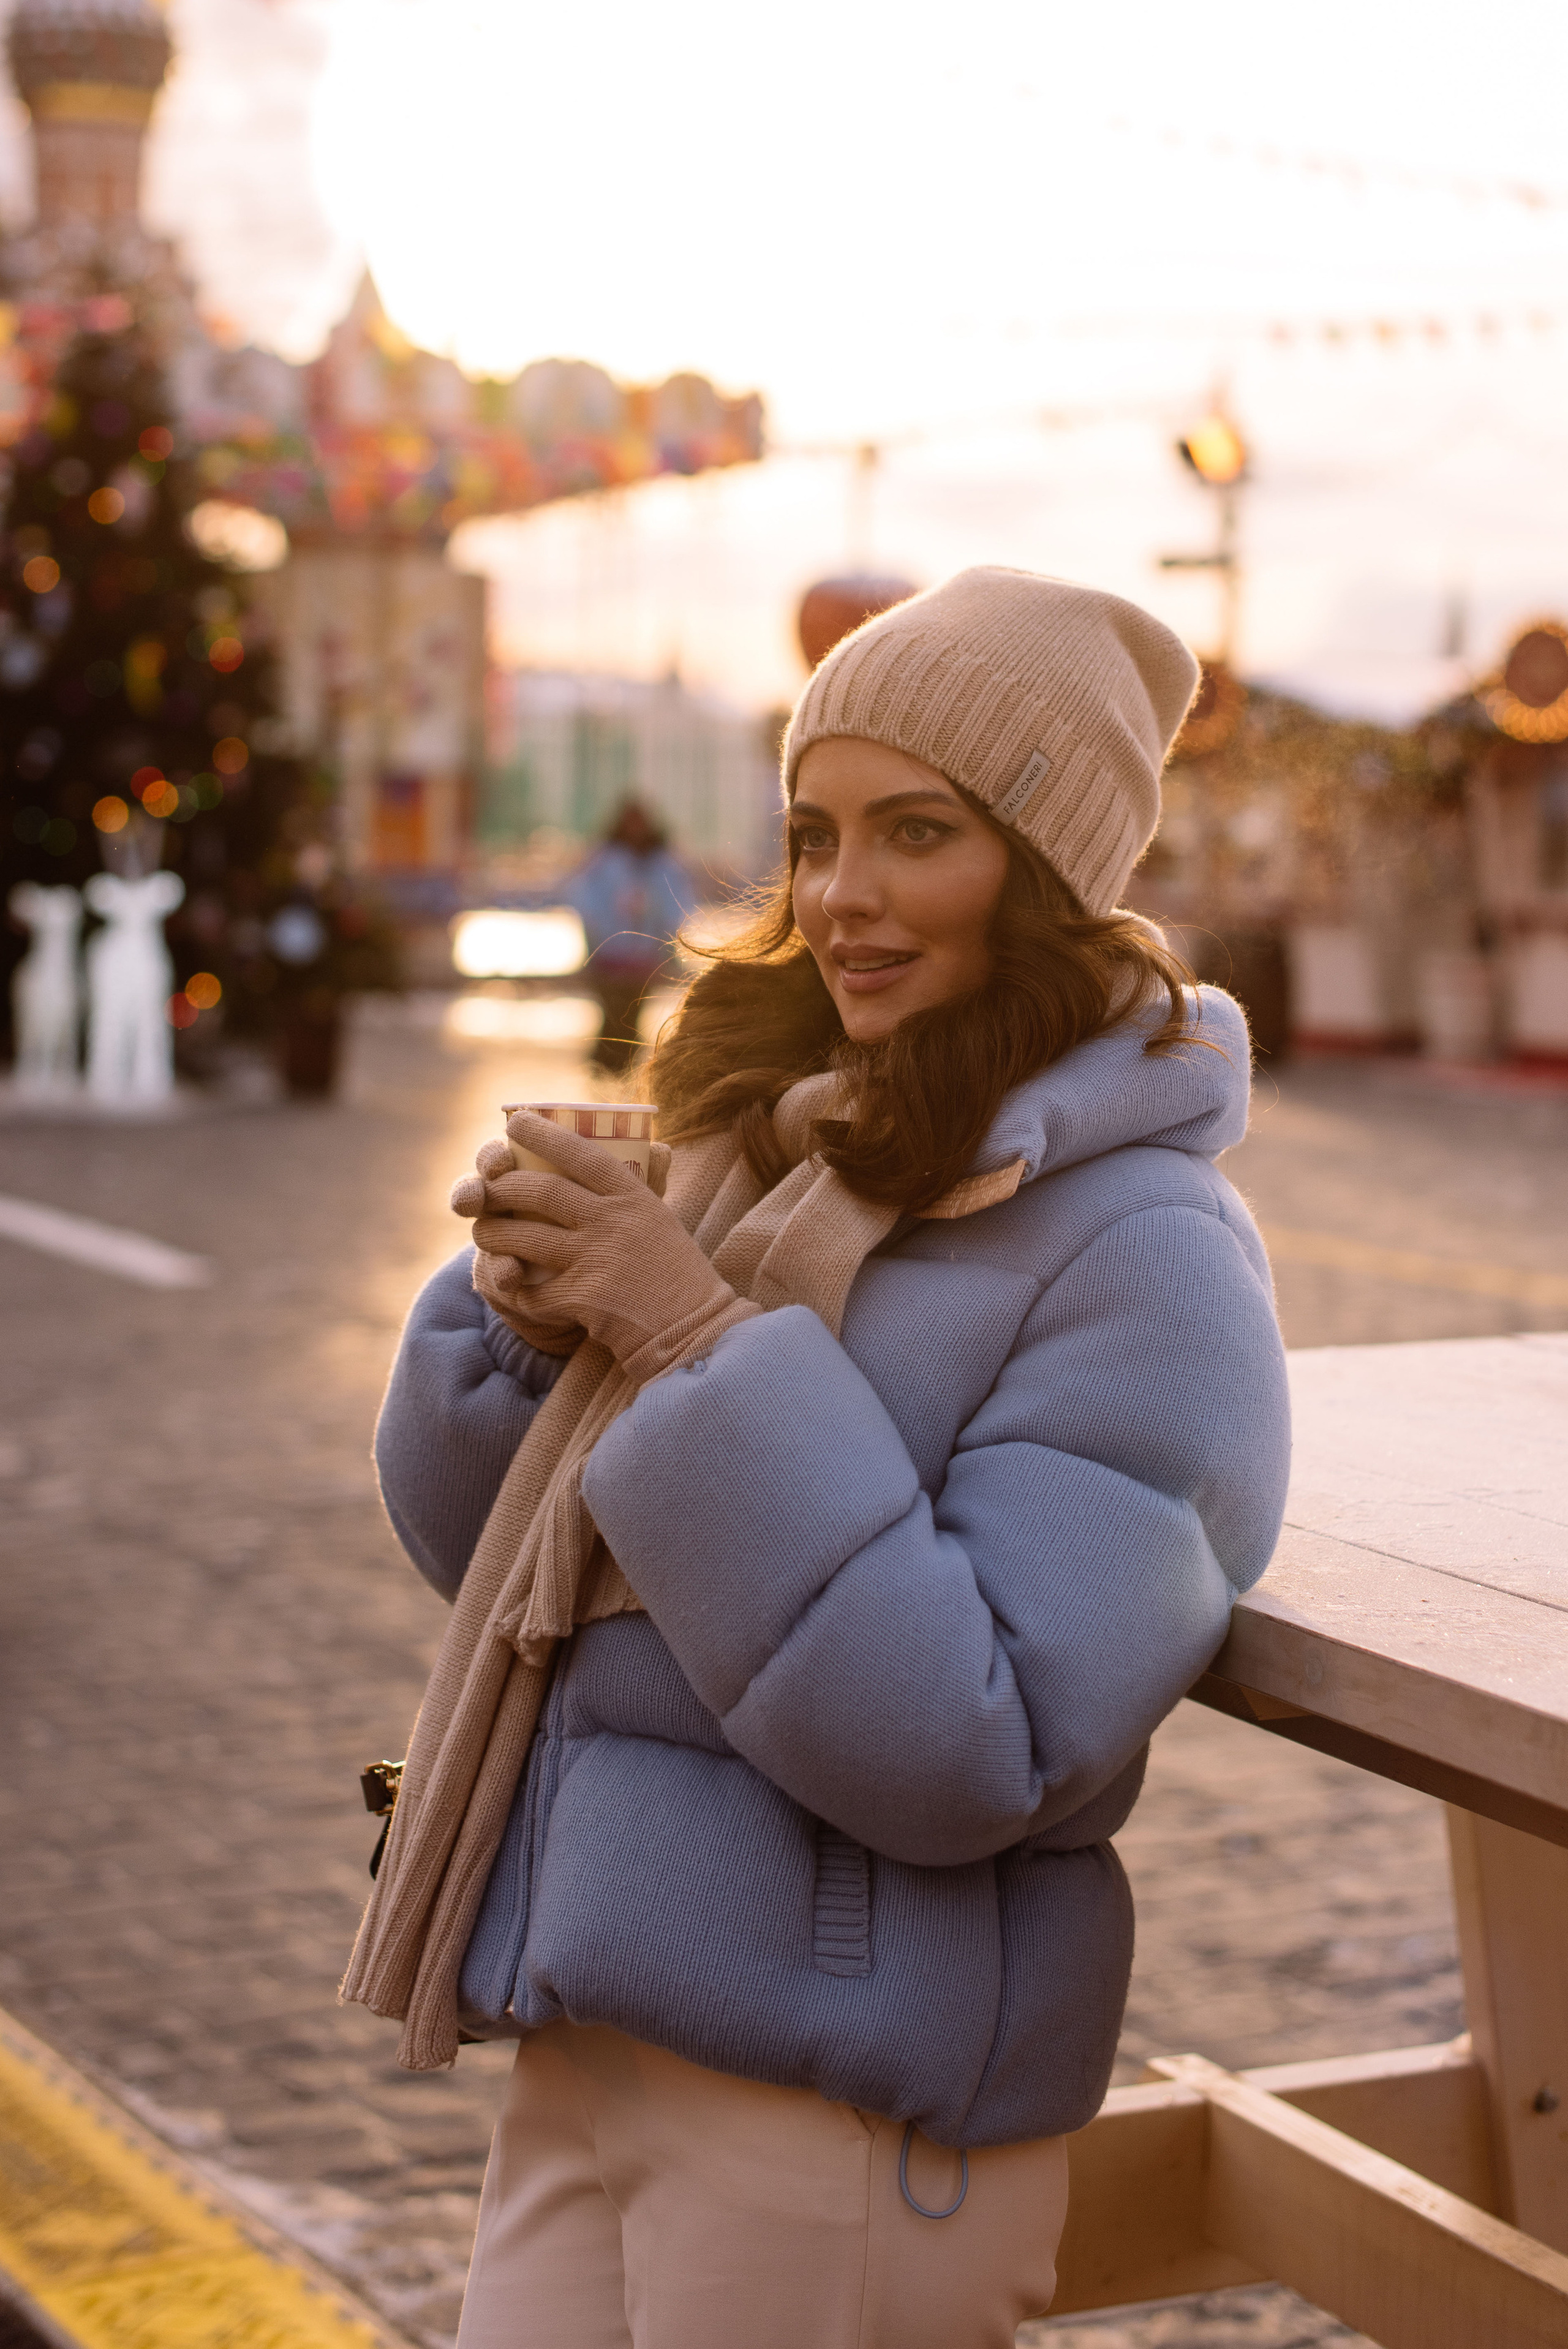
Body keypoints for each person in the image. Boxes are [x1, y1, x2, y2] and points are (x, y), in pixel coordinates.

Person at [347, 568, 1292, 2349]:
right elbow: (490, 1559)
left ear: (1043, 866)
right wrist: (523, 1327)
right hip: (594, 2032)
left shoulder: (1147, 1253)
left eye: (915, 831)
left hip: (844, 2117)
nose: (841, 892)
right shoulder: (773, 1148)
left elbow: (973, 1738)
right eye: (813, 833)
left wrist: (689, 1344)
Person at [565, 797, 698, 1075]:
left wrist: (666, 945)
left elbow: (677, 906)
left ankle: (620, 1072)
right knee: (612, 1016)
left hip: (643, 958)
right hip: (610, 956)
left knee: (631, 1017)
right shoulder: (604, 861)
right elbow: (585, 902)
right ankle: (607, 1071)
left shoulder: (663, 863)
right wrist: (598, 936)